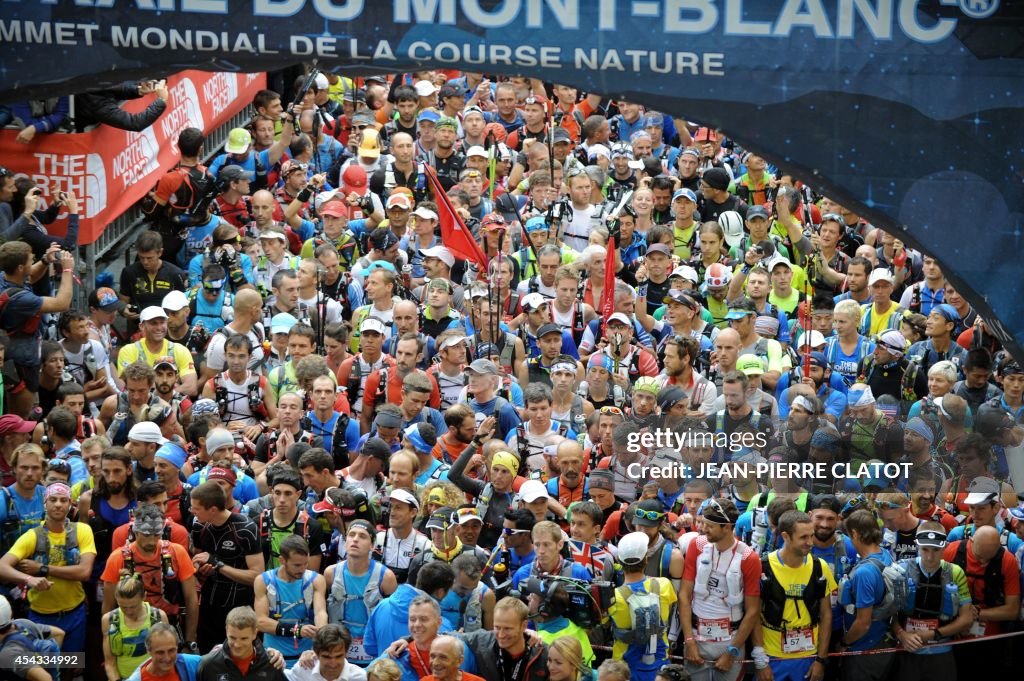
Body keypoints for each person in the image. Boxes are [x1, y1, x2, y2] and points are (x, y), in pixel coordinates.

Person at [0, 481, 95, 658]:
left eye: (63, 500)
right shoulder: (33, 536)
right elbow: (2, 566)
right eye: (53, 499)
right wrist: (29, 579)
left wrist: (41, 569)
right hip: (41, 617)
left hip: (75, 613)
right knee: (45, 666)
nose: (58, 504)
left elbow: (84, 572)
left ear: (69, 504)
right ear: (45, 503)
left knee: (72, 665)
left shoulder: (82, 530)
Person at [678, 500, 760, 681]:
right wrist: (689, 640)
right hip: (697, 636)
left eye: (710, 525)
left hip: (730, 640)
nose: (703, 528)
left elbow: (753, 610)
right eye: (702, 523)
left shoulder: (749, 558)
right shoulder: (697, 545)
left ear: (727, 527)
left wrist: (732, 651)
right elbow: (684, 595)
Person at [753, 510, 836, 681]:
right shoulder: (763, 567)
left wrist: (821, 659)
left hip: (808, 656)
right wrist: (761, 661)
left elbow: (826, 614)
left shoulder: (820, 567)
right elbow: (753, 615)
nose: (810, 542)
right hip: (772, 655)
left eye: (811, 536)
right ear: (786, 536)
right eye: (803, 537)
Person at [190, 481, 264, 653]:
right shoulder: (199, 527)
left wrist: (218, 564)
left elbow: (257, 576)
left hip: (239, 607)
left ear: (213, 509)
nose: (192, 512)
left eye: (196, 508)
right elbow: (199, 562)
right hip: (209, 607)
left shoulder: (245, 529)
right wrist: (202, 569)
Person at [255, 535, 328, 668]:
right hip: (275, 657)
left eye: (306, 563)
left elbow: (320, 613)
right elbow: (260, 622)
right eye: (297, 565)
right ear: (282, 560)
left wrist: (321, 636)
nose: (303, 569)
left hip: (306, 658)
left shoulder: (316, 580)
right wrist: (297, 630)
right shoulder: (263, 581)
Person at [102, 576, 170, 681]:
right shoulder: (109, 620)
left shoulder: (159, 617)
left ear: (144, 597)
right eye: (123, 607)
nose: (129, 611)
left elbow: (167, 658)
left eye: (133, 606)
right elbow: (110, 663)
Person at [196, 606, 287, 681]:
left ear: (255, 633)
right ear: (226, 630)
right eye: (232, 638)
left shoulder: (272, 663)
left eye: (244, 639)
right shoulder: (208, 665)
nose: (237, 644)